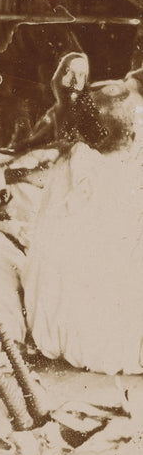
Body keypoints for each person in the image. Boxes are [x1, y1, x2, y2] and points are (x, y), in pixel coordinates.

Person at [24, 70, 143, 374]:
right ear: (133, 136)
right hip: (102, 341)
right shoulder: (119, 180)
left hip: (52, 328)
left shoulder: (77, 160)